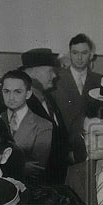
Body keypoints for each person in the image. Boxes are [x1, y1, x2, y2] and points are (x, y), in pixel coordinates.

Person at [21, 47, 69, 183]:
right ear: (33, 71)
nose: (54, 76)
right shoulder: (21, 102)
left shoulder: (47, 97)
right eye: (50, 71)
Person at [54, 32, 103, 155]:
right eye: (75, 53)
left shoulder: (100, 81)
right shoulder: (55, 80)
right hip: (62, 147)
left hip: (91, 147)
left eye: (84, 53)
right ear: (69, 54)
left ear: (91, 55)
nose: (79, 58)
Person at [1, 69, 53, 183]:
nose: (11, 97)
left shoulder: (43, 125)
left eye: (17, 92)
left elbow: (37, 166)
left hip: (28, 186)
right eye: (6, 91)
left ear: (28, 94)